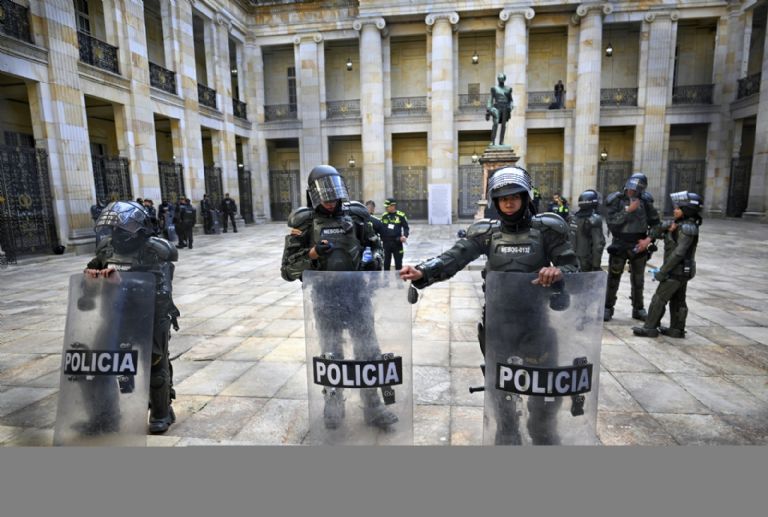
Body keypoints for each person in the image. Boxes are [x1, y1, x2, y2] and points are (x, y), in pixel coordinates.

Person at [400, 166, 579, 444]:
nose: (509, 202)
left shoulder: (546, 230)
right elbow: (455, 257)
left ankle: (542, 430)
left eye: (515, 196)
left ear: (525, 197)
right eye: (502, 197)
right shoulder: (487, 232)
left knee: (542, 391)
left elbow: (573, 267)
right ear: (495, 202)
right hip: (499, 325)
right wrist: (423, 271)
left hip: (536, 324)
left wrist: (559, 274)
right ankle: (506, 432)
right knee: (502, 388)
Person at [280, 165, 395, 430]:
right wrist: (312, 254)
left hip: (357, 296)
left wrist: (373, 259)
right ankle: (334, 403)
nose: (331, 201)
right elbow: (287, 270)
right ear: (314, 195)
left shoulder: (355, 215)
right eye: (325, 196)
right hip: (325, 298)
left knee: (369, 352)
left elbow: (374, 244)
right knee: (331, 355)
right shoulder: (304, 222)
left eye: (334, 194)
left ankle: (374, 407)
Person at [85, 201, 180, 434]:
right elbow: (92, 271)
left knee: (154, 365)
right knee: (101, 365)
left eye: (122, 227)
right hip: (116, 314)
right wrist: (93, 277)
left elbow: (162, 292)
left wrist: (125, 281)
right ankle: (106, 413)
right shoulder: (107, 248)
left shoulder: (154, 249)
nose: (117, 233)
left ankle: (161, 412)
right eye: (114, 228)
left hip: (150, 315)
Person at [633, 191, 702, 338]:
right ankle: (676, 329)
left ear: (687, 210)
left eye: (678, 208)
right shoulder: (679, 225)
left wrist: (663, 271)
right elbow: (658, 228)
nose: (674, 210)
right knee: (677, 299)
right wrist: (664, 229)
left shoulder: (687, 228)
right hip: (682, 270)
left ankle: (650, 328)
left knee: (659, 298)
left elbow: (679, 253)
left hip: (677, 270)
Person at [603, 173, 661, 322]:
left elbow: (656, 224)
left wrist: (647, 240)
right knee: (613, 278)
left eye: (635, 190)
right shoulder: (616, 200)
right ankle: (607, 307)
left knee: (638, 280)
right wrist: (627, 210)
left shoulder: (646, 201)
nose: (631, 192)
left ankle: (638, 308)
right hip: (620, 244)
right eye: (630, 188)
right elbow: (611, 223)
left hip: (638, 245)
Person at [568, 190, 605, 272]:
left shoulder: (572, 218)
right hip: (586, 262)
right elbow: (598, 245)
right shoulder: (595, 220)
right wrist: (596, 266)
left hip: (571, 260)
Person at [379, 199, 410, 271]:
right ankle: (386, 280)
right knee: (386, 263)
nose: (386, 208)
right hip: (386, 243)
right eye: (386, 207)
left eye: (388, 206)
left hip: (397, 242)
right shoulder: (384, 216)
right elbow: (381, 227)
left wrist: (405, 236)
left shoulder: (401, 215)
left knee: (398, 264)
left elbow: (406, 228)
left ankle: (399, 280)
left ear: (393, 206)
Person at [486, 73, 513, 146]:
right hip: (497, 107)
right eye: (499, 79)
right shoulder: (494, 88)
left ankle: (501, 141)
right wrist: (488, 108)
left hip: (505, 108)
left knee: (503, 125)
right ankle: (492, 141)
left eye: (502, 79)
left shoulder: (508, 89)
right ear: (498, 79)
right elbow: (490, 99)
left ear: (504, 79)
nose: (500, 80)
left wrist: (511, 106)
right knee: (495, 123)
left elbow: (510, 100)